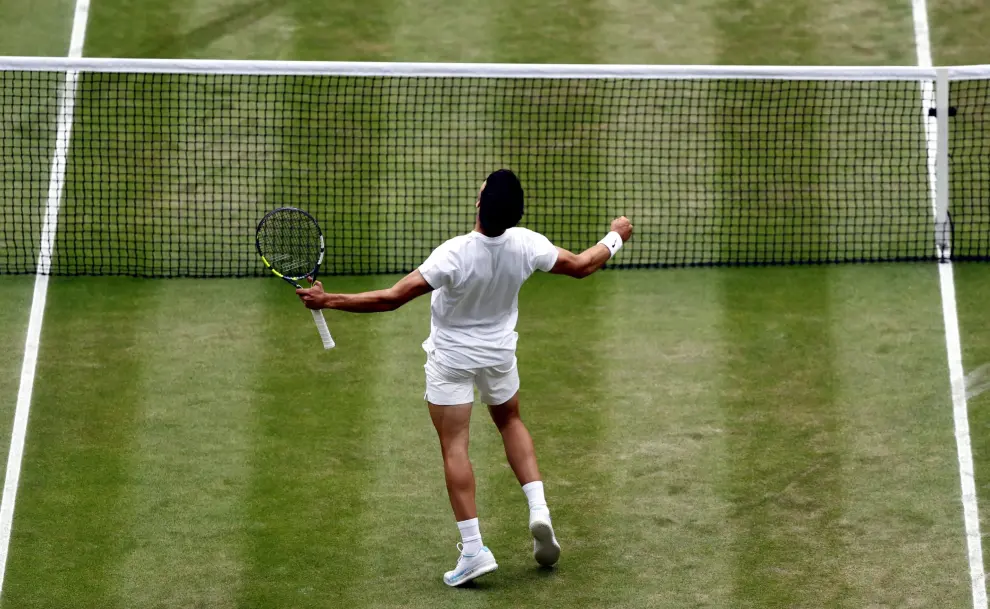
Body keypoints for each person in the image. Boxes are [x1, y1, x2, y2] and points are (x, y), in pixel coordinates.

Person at [296, 169, 633, 587]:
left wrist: (329, 299)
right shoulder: (528, 243)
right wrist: (616, 234)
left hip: (451, 359)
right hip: (498, 355)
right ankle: (539, 510)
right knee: (510, 420)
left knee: (455, 445)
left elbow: (391, 299)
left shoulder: (453, 254)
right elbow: (583, 265)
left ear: (480, 204)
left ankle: (474, 551)